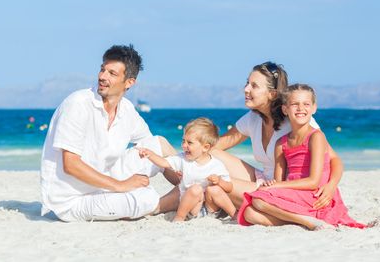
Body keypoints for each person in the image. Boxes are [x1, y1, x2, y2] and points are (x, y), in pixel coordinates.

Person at [160, 62, 343, 213]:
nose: (246, 89)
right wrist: (185, 158)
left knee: (213, 182)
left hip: (280, 189)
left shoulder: (296, 119)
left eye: (254, 86)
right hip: (262, 178)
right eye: (247, 83)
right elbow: (218, 144)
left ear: (272, 94)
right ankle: (184, 192)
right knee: (211, 155)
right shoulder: (254, 118)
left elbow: (334, 160)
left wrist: (331, 186)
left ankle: (162, 205)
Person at [40, 44, 178, 222]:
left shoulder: (126, 109)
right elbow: (71, 165)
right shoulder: (78, 104)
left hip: (103, 181)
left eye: (112, 73)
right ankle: (169, 202)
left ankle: (193, 188)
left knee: (159, 144)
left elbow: (149, 145)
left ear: (129, 82)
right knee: (147, 197)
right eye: (102, 70)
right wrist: (120, 186)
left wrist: (185, 174)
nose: (102, 77)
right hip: (71, 199)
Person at [237, 84, 367, 229]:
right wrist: (272, 185)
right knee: (249, 213)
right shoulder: (281, 144)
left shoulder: (316, 137)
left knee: (258, 201)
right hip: (295, 194)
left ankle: (308, 222)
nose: (300, 108)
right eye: (294, 104)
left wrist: (276, 186)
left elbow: (313, 181)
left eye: (306, 104)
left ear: (314, 108)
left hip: (315, 194)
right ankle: (301, 220)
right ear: (285, 109)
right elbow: (278, 182)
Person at [138, 118, 236, 222]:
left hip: (211, 209)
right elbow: (163, 163)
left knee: (214, 189)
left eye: (189, 143)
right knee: (195, 189)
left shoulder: (216, 165)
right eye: (183, 141)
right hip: (192, 207)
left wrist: (219, 181)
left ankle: (235, 214)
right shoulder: (182, 159)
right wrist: (150, 155)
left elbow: (229, 187)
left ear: (205, 147)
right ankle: (179, 218)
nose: (184, 146)